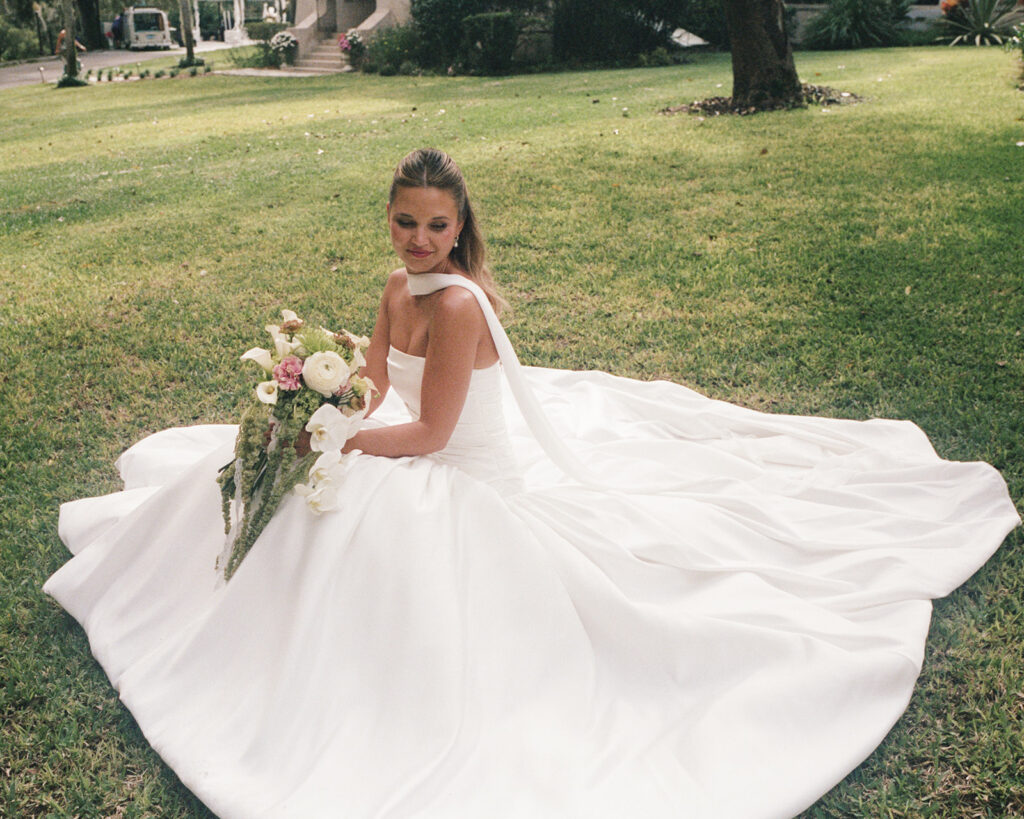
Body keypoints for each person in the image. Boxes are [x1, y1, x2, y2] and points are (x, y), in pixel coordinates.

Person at [45, 148, 1019, 819]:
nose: (417, 242)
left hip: (462, 468)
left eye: (434, 228)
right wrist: (327, 410)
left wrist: (345, 448)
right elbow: (383, 385)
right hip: (403, 440)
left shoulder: (463, 305)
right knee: (290, 494)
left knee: (360, 524)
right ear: (388, 221)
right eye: (403, 225)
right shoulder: (391, 288)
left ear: (457, 228)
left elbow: (429, 434)